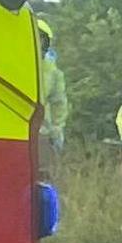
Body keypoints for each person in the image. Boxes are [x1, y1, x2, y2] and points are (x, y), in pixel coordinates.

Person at [36, 17, 71, 159]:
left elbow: (59, 103)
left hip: (41, 132)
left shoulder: (52, 71)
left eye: (41, 40)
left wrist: (57, 130)